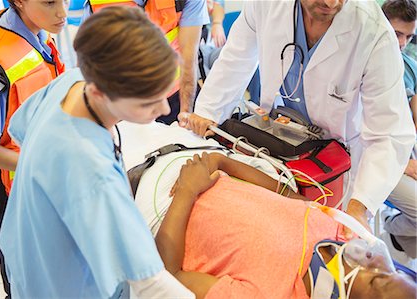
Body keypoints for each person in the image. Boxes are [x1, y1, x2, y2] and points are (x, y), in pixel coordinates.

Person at [0, 6, 195, 298]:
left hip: (29, 260)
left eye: (164, 96)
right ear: (102, 93)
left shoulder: (72, 82)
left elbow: (24, 130)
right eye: (149, 103)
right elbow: (151, 283)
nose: (165, 110)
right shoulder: (92, 172)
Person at [179, 0, 416, 237]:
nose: (330, 3)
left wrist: (359, 207)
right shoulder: (268, 5)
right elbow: (236, 59)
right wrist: (207, 113)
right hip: (275, 142)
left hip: (336, 163)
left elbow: (389, 133)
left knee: (319, 240)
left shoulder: (373, 32)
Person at [155, 152, 417, 298]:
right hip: (195, 159)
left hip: (161, 199)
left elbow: (168, 275)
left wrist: (187, 191)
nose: (376, 261)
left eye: (376, 281)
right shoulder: (343, 233)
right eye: (392, 270)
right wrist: (221, 161)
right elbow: (288, 196)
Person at [0, 0, 66, 295]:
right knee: (23, 271)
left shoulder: (34, 28)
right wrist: (37, 164)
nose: (61, 12)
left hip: (23, 176)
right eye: (50, 3)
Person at [83, 0, 209, 125]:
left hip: (177, 93)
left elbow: (188, 58)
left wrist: (185, 112)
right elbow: (90, 67)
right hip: (127, 101)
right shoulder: (97, 4)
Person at [381, 0, 417, 264]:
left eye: (409, 36)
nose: (403, 43)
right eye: (397, 34)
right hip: (379, 156)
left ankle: (400, 240)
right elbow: (356, 133)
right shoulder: (360, 65)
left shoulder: (409, 67)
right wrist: (405, 164)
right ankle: (393, 227)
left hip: (405, 150)